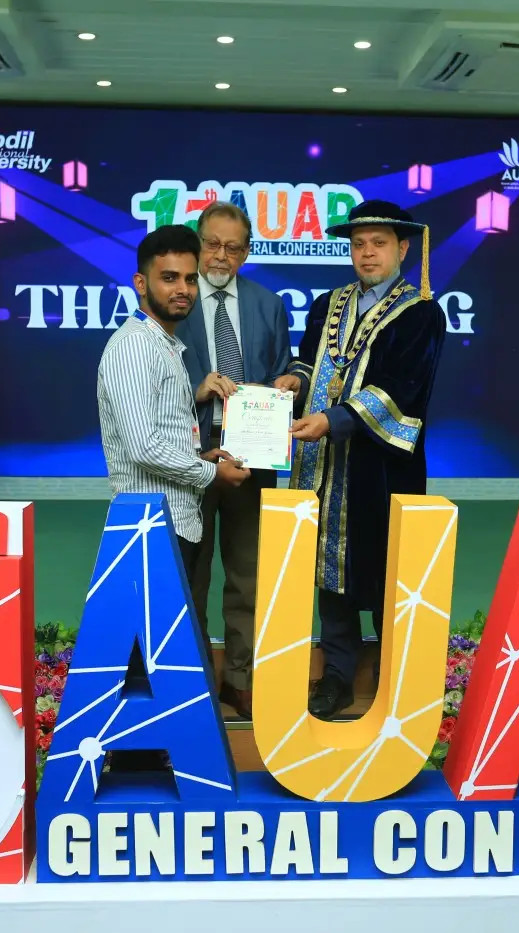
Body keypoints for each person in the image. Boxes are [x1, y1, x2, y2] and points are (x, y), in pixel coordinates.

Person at [286, 200, 447, 720]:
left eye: (379, 243)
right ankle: (337, 673)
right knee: (327, 570)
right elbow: (310, 361)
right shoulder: (327, 305)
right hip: (323, 466)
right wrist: (294, 382)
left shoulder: (421, 313)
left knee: (385, 567)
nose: (367, 253)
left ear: (403, 248)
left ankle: (394, 673)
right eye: (358, 244)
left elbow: (404, 388)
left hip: (381, 468)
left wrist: (334, 420)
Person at [174, 202, 302, 720]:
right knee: (190, 577)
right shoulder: (175, 302)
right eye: (212, 244)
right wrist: (197, 389)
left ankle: (241, 681)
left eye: (232, 247)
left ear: (246, 252)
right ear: (198, 244)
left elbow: (285, 366)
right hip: (190, 458)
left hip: (254, 458)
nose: (220, 256)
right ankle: (195, 684)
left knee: (249, 574)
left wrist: (292, 380)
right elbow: (152, 382)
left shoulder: (268, 304)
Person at [97, 223, 250, 581]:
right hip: (150, 525)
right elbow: (144, 447)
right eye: (169, 278)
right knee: (148, 621)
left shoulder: (163, 344)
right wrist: (212, 473)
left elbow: (163, 433)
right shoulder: (135, 345)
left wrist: (200, 458)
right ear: (140, 284)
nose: (183, 289)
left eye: (190, 279)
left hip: (173, 521)